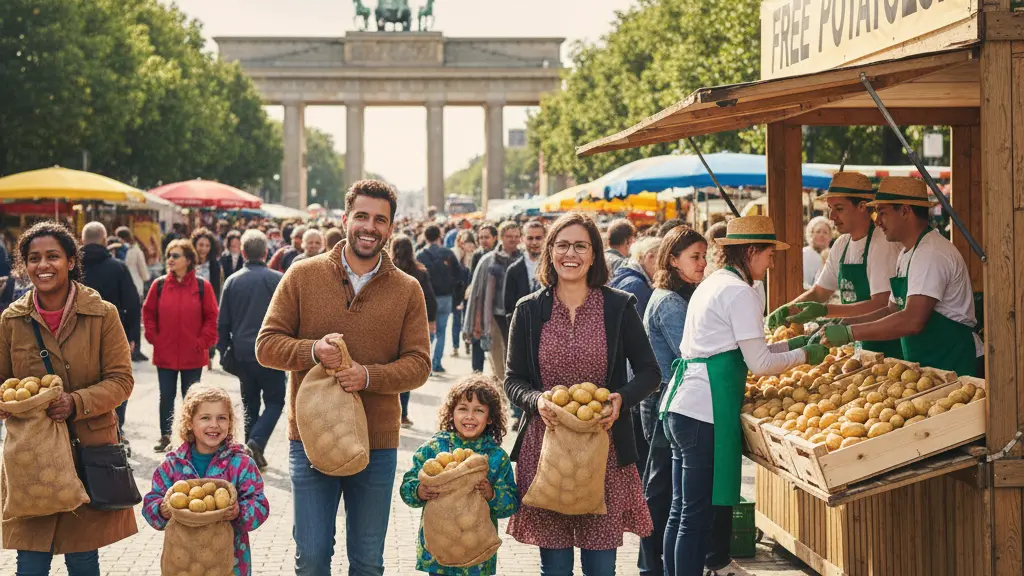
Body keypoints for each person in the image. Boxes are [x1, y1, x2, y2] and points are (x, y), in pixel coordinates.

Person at [256, 179, 431, 575]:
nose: (370, 227)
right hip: (312, 438)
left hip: (377, 441)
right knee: (312, 557)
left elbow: (420, 365)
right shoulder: (302, 275)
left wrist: (366, 376)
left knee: (368, 561)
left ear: (391, 227)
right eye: (362, 216)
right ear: (345, 218)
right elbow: (265, 345)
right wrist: (312, 350)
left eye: (380, 220)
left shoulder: (408, 290)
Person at [658, 216, 827, 576]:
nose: (771, 261)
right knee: (694, 515)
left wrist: (796, 341)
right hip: (702, 409)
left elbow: (743, 346)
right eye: (769, 254)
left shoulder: (716, 281)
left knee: (681, 509)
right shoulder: (739, 292)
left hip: (682, 406)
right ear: (751, 251)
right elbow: (760, 361)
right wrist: (805, 355)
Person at [504, 212, 660, 575]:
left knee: (601, 568)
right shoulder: (528, 310)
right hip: (547, 452)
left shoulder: (618, 307)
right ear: (550, 252)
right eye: (562, 245)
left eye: (580, 246)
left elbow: (650, 372)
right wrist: (536, 400)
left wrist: (621, 399)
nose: (570, 254)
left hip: (604, 452)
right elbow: (513, 380)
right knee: (555, 568)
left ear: (594, 255)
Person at [0, 221, 137, 574]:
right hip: (32, 458)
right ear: (23, 266)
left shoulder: (102, 313)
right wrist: (12, 404)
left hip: (85, 450)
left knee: (82, 559)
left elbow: (122, 380)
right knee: (29, 561)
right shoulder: (11, 321)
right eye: (33, 258)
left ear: (71, 260)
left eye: (52, 256)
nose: (42, 266)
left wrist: (75, 401)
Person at [821, 177, 980, 376]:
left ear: (905, 211)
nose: (877, 220)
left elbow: (913, 320)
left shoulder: (930, 253)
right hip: (927, 367)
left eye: (883, 212)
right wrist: (849, 323)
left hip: (954, 365)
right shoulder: (907, 253)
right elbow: (891, 309)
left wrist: (850, 333)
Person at [767, 172, 904, 358]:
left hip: (886, 346)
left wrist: (826, 311)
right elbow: (819, 292)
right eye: (830, 208)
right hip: (853, 343)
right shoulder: (841, 244)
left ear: (862, 206)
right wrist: (789, 308)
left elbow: (881, 305)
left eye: (839, 208)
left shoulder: (882, 243)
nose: (832, 216)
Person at [142, 384, 270, 576]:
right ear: (189, 423)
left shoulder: (241, 464)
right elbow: (151, 503)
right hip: (182, 563)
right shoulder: (173, 464)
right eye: (205, 418)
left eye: (222, 418)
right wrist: (162, 510)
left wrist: (239, 511)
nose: (214, 425)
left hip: (230, 563)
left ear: (230, 422)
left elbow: (260, 505)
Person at [638, 225, 708, 576]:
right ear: (673, 259)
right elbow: (690, 352)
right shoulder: (669, 301)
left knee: (666, 487)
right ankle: (650, 564)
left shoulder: (679, 295)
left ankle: (654, 564)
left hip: (668, 397)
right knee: (663, 486)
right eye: (695, 257)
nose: (702, 263)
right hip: (668, 397)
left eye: (704, 256)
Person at [399, 375, 519, 576]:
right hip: (438, 552)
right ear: (451, 412)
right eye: (463, 408)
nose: (470, 416)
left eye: (478, 410)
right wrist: (419, 491)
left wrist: (491, 494)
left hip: (476, 556)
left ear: (490, 418)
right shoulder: (433, 449)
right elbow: (406, 488)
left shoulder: (496, 457)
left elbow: (511, 504)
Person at [218, 230, 285, 470]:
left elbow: (223, 321)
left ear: (243, 252)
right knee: (276, 401)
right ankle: (256, 443)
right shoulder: (278, 279)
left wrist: (222, 349)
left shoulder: (233, 281)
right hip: (272, 351)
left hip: (243, 352)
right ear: (266, 252)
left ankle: (251, 448)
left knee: (250, 403)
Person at [143, 239, 220, 452]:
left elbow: (212, 316)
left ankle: (188, 437)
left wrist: (202, 342)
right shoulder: (158, 286)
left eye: (175, 256)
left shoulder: (203, 287)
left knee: (191, 398)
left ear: (188, 260)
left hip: (192, 354)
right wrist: (153, 337)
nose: (170, 260)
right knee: (166, 395)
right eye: (169, 255)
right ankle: (166, 436)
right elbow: (148, 313)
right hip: (165, 352)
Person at [80, 221, 141, 449]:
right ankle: (116, 427)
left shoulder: (72, 268)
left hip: (76, 338)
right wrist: (133, 335)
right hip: (114, 336)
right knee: (117, 380)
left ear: (82, 241)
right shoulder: (117, 268)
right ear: (106, 241)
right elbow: (133, 303)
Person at [390, 233, 437, 428]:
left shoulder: (386, 270)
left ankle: (389, 414)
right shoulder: (419, 271)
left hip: (387, 325)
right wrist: (431, 320)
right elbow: (429, 298)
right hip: (409, 325)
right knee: (404, 369)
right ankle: (403, 414)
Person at [465, 221, 520, 380]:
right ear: (501, 237)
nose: (513, 240)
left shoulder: (524, 260)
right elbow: (477, 293)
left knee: (515, 361)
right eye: (509, 236)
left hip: (518, 316)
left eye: (516, 236)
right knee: (498, 361)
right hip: (495, 316)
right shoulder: (488, 260)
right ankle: (504, 395)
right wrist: (475, 322)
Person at [416, 225, 464, 374]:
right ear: (439, 236)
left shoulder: (420, 255)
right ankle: (436, 363)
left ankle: (426, 364)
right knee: (441, 332)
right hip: (445, 296)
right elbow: (459, 275)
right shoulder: (448, 253)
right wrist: (457, 297)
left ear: (425, 236)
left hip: (426, 298)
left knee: (427, 332)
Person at [116, 226, 152, 362]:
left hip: (119, 290)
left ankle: (124, 349)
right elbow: (144, 273)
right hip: (135, 288)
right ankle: (135, 349)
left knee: (122, 321)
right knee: (135, 321)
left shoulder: (116, 249)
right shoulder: (136, 251)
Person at [608, 236, 660, 318]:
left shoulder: (632, 278)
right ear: (650, 257)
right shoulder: (635, 286)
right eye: (661, 259)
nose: (664, 266)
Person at [451, 229, 477, 359]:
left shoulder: (476, 257)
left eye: (471, 243)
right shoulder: (456, 256)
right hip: (457, 295)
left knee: (469, 320)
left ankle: (468, 342)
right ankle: (455, 347)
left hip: (472, 295)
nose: (469, 246)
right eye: (467, 243)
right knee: (456, 321)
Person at [191, 227, 223, 301]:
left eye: (207, 246)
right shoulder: (188, 264)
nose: (204, 249)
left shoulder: (215, 266)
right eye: (201, 245)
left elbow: (217, 291)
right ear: (194, 245)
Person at [802, 216, 834, 289]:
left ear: (830, 236)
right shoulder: (803, 254)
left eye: (825, 232)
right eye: (818, 231)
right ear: (811, 234)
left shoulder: (834, 255)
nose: (821, 235)